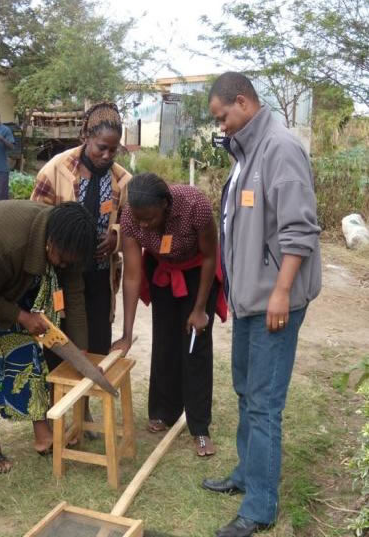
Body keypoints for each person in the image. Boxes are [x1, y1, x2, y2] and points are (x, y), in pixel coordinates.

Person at [202, 72, 321, 537]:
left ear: (242, 102)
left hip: (275, 300)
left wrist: (281, 292)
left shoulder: (280, 148)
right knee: (246, 392)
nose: (222, 125)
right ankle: (246, 476)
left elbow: (301, 230)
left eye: (222, 116)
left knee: (265, 403)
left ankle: (260, 507)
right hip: (250, 298)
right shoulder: (246, 150)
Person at [0, 200, 110, 473]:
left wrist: (82, 354)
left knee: (27, 353)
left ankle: (43, 435)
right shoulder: (8, 241)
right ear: (51, 242)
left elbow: (74, 297)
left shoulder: (71, 243)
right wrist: (22, 317)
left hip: (7, 290)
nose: (66, 265)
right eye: (64, 260)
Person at [111, 173, 227, 457]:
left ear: (165, 204)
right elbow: (133, 276)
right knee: (164, 340)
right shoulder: (130, 217)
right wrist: (126, 335)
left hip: (199, 274)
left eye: (148, 219)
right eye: (137, 219)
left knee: (194, 345)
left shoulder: (194, 205)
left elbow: (211, 256)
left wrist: (199, 310)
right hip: (163, 272)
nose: (142, 225)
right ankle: (165, 411)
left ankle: (199, 426)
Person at [31, 103, 131, 402]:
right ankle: (57, 406)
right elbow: (36, 221)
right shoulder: (55, 171)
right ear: (85, 137)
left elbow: (130, 224)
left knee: (97, 342)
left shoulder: (122, 180)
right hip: (60, 276)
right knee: (59, 341)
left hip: (100, 277)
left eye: (114, 150)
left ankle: (82, 406)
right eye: (102, 147)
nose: (107, 155)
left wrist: (116, 237)